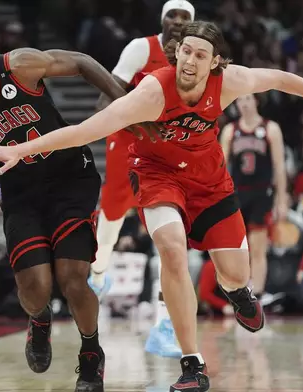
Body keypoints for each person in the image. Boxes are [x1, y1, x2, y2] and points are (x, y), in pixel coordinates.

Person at [0, 21, 303, 391]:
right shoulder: (152, 92)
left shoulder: (230, 82)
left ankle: (237, 292)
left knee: (235, 274)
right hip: (156, 176)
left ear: (215, 62)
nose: (190, 59)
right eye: (185, 51)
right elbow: (82, 131)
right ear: (176, 53)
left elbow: (280, 79)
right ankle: (192, 363)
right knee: (171, 247)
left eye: (200, 54)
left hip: (210, 182)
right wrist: (21, 149)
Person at [0, 28, 130, 392]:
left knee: (72, 278)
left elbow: (81, 62)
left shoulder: (18, 65)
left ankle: (90, 355)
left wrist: (125, 105)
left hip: (70, 179)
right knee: (35, 286)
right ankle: (39, 321)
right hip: (21, 193)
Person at [91, 0, 194, 359]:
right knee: (114, 214)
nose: (178, 22)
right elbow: (106, 98)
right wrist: (129, 119)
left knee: (170, 231)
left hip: (166, 145)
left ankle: (165, 320)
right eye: (173, 15)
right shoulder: (141, 48)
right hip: (129, 136)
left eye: (185, 17)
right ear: (162, 19)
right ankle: (99, 271)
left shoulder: (195, 59)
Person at [219, 94, 287, 305]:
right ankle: (240, 291)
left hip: (262, 193)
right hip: (237, 193)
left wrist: (281, 199)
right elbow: (220, 168)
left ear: (257, 101)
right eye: (240, 100)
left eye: (248, 99)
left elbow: (279, 166)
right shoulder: (230, 130)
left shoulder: (271, 129)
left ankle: (258, 292)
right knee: (237, 247)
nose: (244, 104)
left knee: (258, 247)